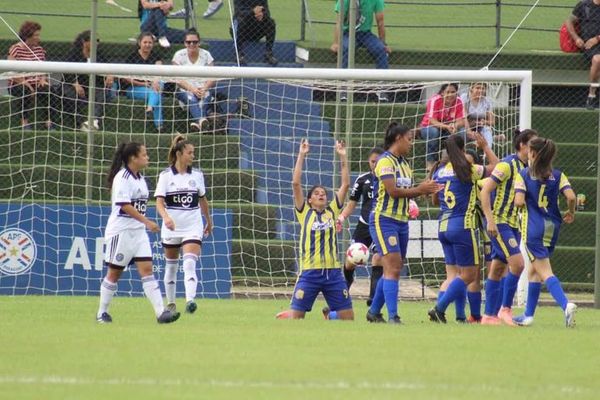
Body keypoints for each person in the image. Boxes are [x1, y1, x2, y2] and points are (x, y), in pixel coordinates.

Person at [97, 141, 180, 324]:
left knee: (147, 270)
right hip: (122, 232)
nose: (147, 157)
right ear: (133, 158)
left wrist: (144, 224)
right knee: (114, 273)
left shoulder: (140, 178)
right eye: (144, 154)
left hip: (138, 233)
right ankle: (102, 313)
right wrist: (148, 222)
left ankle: (161, 313)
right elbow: (124, 206)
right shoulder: (122, 177)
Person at [366, 123, 441, 324]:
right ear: (398, 138)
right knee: (392, 266)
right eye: (409, 138)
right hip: (384, 219)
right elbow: (393, 191)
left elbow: (409, 191)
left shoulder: (404, 164)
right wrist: (419, 189)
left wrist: (426, 191)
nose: (411, 143)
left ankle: (373, 312)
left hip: (402, 221)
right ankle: (393, 316)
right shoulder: (385, 162)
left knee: (395, 267)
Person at [276, 139, 353, 320]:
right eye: (316, 193)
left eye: (323, 193)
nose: (321, 195)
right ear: (309, 199)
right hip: (310, 272)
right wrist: (302, 155)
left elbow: (345, 185)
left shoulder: (332, 211)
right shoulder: (304, 213)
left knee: (348, 318)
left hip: (333, 273)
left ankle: (329, 316)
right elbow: (296, 184)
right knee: (297, 318)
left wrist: (342, 156)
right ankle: (289, 314)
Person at [427, 134, 498, 323]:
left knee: (456, 275)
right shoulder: (468, 170)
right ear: (463, 150)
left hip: (443, 225)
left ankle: (460, 316)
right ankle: (439, 309)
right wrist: (485, 147)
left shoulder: (439, 171)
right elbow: (498, 168)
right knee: (470, 274)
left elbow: (434, 199)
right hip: (463, 226)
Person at [512, 137, 577, 327]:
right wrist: (571, 212)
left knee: (545, 271)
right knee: (534, 271)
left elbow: (518, 201)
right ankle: (528, 316)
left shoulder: (523, 174)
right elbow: (571, 197)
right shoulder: (558, 175)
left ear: (533, 153)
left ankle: (566, 305)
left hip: (533, 228)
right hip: (552, 226)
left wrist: (521, 204)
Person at [479, 129, 538, 325]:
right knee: (518, 264)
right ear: (522, 145)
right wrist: (490, 220)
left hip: (515, 224)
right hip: (500, 222)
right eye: (533, 144)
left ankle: (488, 316)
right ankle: (506, 309)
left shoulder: (528, 168)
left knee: (497, 268)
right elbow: (485, 191)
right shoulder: (506, 165)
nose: (535, 149)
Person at [156, 135, 213, 314]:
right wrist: (166, 217)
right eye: (190, 153)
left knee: (189, 263)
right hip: (172, 227)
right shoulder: (165, 176)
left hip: (192, 226)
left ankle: (190, 301)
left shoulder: (197, 175)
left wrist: (208, 221)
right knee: (171, 266)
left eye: (193, 153)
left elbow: (203, 200)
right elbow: (158, 202)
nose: (193, 156)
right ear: (179, 154)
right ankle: (171, 303)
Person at [336, 147, 384, 305]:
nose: (375, 165)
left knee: (378, 258)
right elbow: (351, 204)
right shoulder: (363, 180)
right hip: (364, 225)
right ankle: (342, 295)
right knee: (350, 261)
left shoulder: (389, 179)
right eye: (372, 162)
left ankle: (372, 298)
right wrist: (342, 217)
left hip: (382, 225)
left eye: (378, 162)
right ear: (368, 162)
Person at [331, 0, 390, 102]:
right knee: (345, 48)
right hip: (347, 32)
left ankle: (382, 87)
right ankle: (343, 87)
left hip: (365, 34)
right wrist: (336, 42)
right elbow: (339, 21)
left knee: (381, 50)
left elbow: (380, 21)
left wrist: (383, 43)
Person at [60, 30, 114, 131]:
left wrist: (109, 75)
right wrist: (75, 84)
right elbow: (66, 72)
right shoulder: (74, 54)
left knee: (102, 93)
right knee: (66, 93)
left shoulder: (99, 54)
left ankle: (93, 121)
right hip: (75, 86)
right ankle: (80, 124)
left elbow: (108, 67)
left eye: (98, 40)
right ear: (85, 42)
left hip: (93, 85)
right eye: (94, 40)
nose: (97, 43)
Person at [7, 21, 53, 130]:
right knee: (25, 91)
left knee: (48, 89)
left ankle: (48, 122)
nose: (39, 37)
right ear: (28, 36)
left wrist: (43, 79)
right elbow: (11, 72)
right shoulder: (16, 49)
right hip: (18, 83)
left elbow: (43, 69)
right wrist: (26, 84)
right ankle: (25, 122)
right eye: (36, 35)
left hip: (36, 83)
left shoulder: (39, 50)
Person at [172, 29, 216, 132]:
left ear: (199, 43)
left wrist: (204, 89)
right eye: (188, 42)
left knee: (202, 101)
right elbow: (177, 79)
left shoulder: (206, 55)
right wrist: (193, 89)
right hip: (185, 90)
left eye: (195, 42)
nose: (192, 44)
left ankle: (197, 124)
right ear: (184, 43)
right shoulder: (179, 55)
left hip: (203, 89)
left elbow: (213, 77)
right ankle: (201, 120)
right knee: (191, 98)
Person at [420, 83, 472, 172]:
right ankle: (431, 163)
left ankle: (457, 161)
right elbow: (432, 121)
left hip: (447, 129)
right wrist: (447, 126)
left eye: (453, 92)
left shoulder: (459, 101)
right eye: (447, 92)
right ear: (442, 92)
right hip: (429, 127)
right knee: (434, 132)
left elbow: (461, 120)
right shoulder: (435, 100)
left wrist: (454, 125)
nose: (450, 94)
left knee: (462, 132)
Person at [122, 32, 164, 133]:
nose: (147, 45)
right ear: (139, 43)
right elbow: (125, 78)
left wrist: (155, 81)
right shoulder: (132, 57)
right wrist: (142, 84)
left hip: (152, 87)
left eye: (150, 42)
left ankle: (150, 109)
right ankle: (159, 126)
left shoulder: (156, 57)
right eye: (145, 42)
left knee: (159, 85)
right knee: (155, 92)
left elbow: (159, 69)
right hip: (133, 89)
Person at [565, 0, 600, 110]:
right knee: (597, 59)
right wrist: (576, 38)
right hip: (590, 45)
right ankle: (591, 95)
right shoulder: (583, 5)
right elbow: (569, 21)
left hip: (596, 41)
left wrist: (597, 38)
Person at [232, 0, 278, 65]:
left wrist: (262, 15)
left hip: (256, 26)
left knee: (271, 22)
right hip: (243, 26)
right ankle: (238, 54)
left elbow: (267, 11)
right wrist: (253, 12)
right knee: (239, 21)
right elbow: (238, 12)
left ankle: (268, 54)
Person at [460, 82, 496, 148]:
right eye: (477, 88)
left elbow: (492, 122)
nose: (480, 90)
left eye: (483, 88)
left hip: (480, 127)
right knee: (463, 132)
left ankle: (487, 154)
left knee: (487, 130)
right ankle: (463, 152)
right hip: (466, 126)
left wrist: (484, 122)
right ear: (471, 88)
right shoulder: (465, 97)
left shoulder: (487, 101)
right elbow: (463, 117)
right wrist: (469, 131)